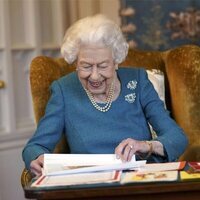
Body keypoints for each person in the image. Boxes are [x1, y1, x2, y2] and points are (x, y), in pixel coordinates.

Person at [22, 14, 188, 177]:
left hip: (140, 181)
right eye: (86, 66)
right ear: (75, 62)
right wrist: (37, 158)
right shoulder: (64, 90)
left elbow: (177, 138)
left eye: (102, 66)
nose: (94, 76)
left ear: (116, 61)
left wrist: (147, 146)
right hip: (91, 185)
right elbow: (35, 146)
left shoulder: (138, 81)